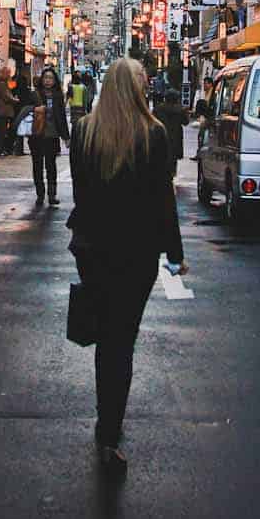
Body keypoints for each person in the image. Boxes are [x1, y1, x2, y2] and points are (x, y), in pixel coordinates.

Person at [67, 56, 187, 472]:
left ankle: (107, 425)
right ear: (134, 88)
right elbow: (162, 200)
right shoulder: (153, 135)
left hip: (93, 248)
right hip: (136, 253)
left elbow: (81, 194)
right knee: (123, 337)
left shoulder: (84, 132)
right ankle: (109, 429)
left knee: (107, 337)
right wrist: (175, 252)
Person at [25, 63, 70, 207]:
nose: (48, 80)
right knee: (37, 165)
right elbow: (25, 110)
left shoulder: (58, 96)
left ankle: (52, 195)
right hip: (37, 135)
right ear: (42, 79)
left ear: (55, 80)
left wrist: (66, 137)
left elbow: (61, 117)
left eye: (50, 78)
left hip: (52, 135)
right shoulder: (35, 94)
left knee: (51, 166)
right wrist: (35, 108)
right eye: (45, 78)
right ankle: (40, 194)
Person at [153, 86, 188, 179]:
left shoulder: (158, 109)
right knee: (173, 158)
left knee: (161, 157)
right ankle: (171, 175)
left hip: (161, 136)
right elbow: (186, 122)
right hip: (176, 137)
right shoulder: (180, 109)